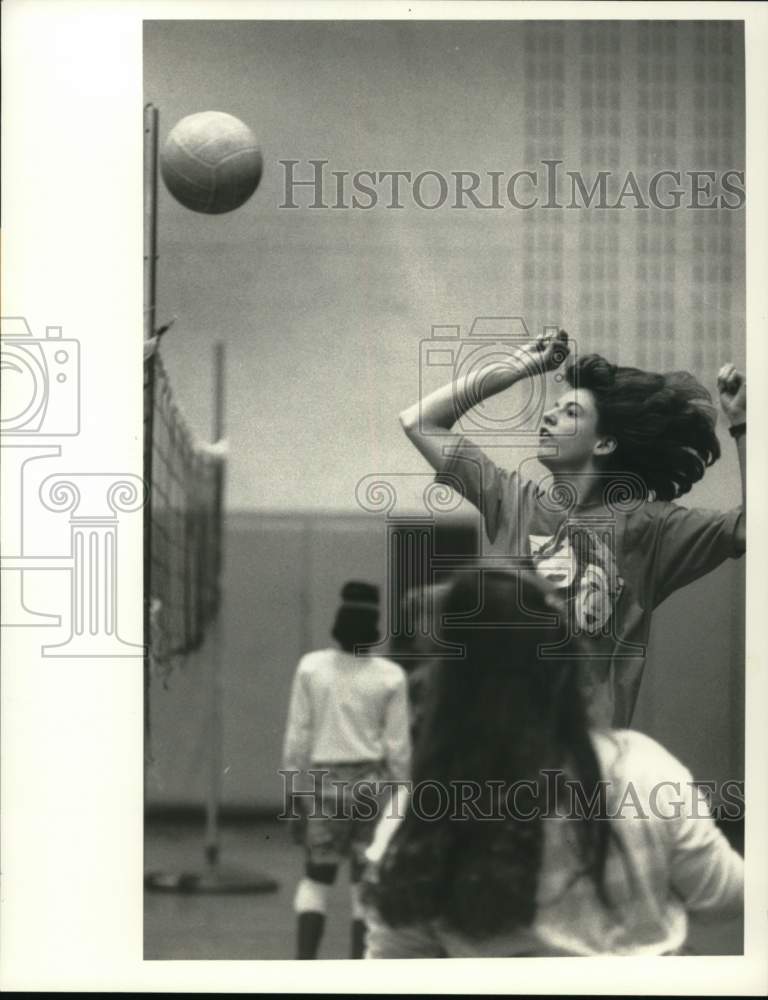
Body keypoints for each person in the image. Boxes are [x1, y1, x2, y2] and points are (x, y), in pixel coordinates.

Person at [362, 567, 744, 957]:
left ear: (441, 691)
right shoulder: (643, 770)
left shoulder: (418, 819)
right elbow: (729, 897)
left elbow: (396, 963)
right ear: (567, 667)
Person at [398, 330, 746, 726]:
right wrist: (517, 368)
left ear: (604, 444)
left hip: (587, 756)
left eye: (571, 412)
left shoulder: (652, 527)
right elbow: (419, 420)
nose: (549, 415)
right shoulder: (514, 502)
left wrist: (742, 426)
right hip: (503, 746)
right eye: (555, 407)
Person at [282, 581, 411, 960]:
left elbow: (298, 735)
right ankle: (358, 973)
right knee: (361, 883)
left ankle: (304, 967)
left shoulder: (311, 667)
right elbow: (398, 746)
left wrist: (293, 791)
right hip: (371, 788)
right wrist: (404, 796)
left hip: (324, 785)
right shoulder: (390, 675)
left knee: (316, 878)